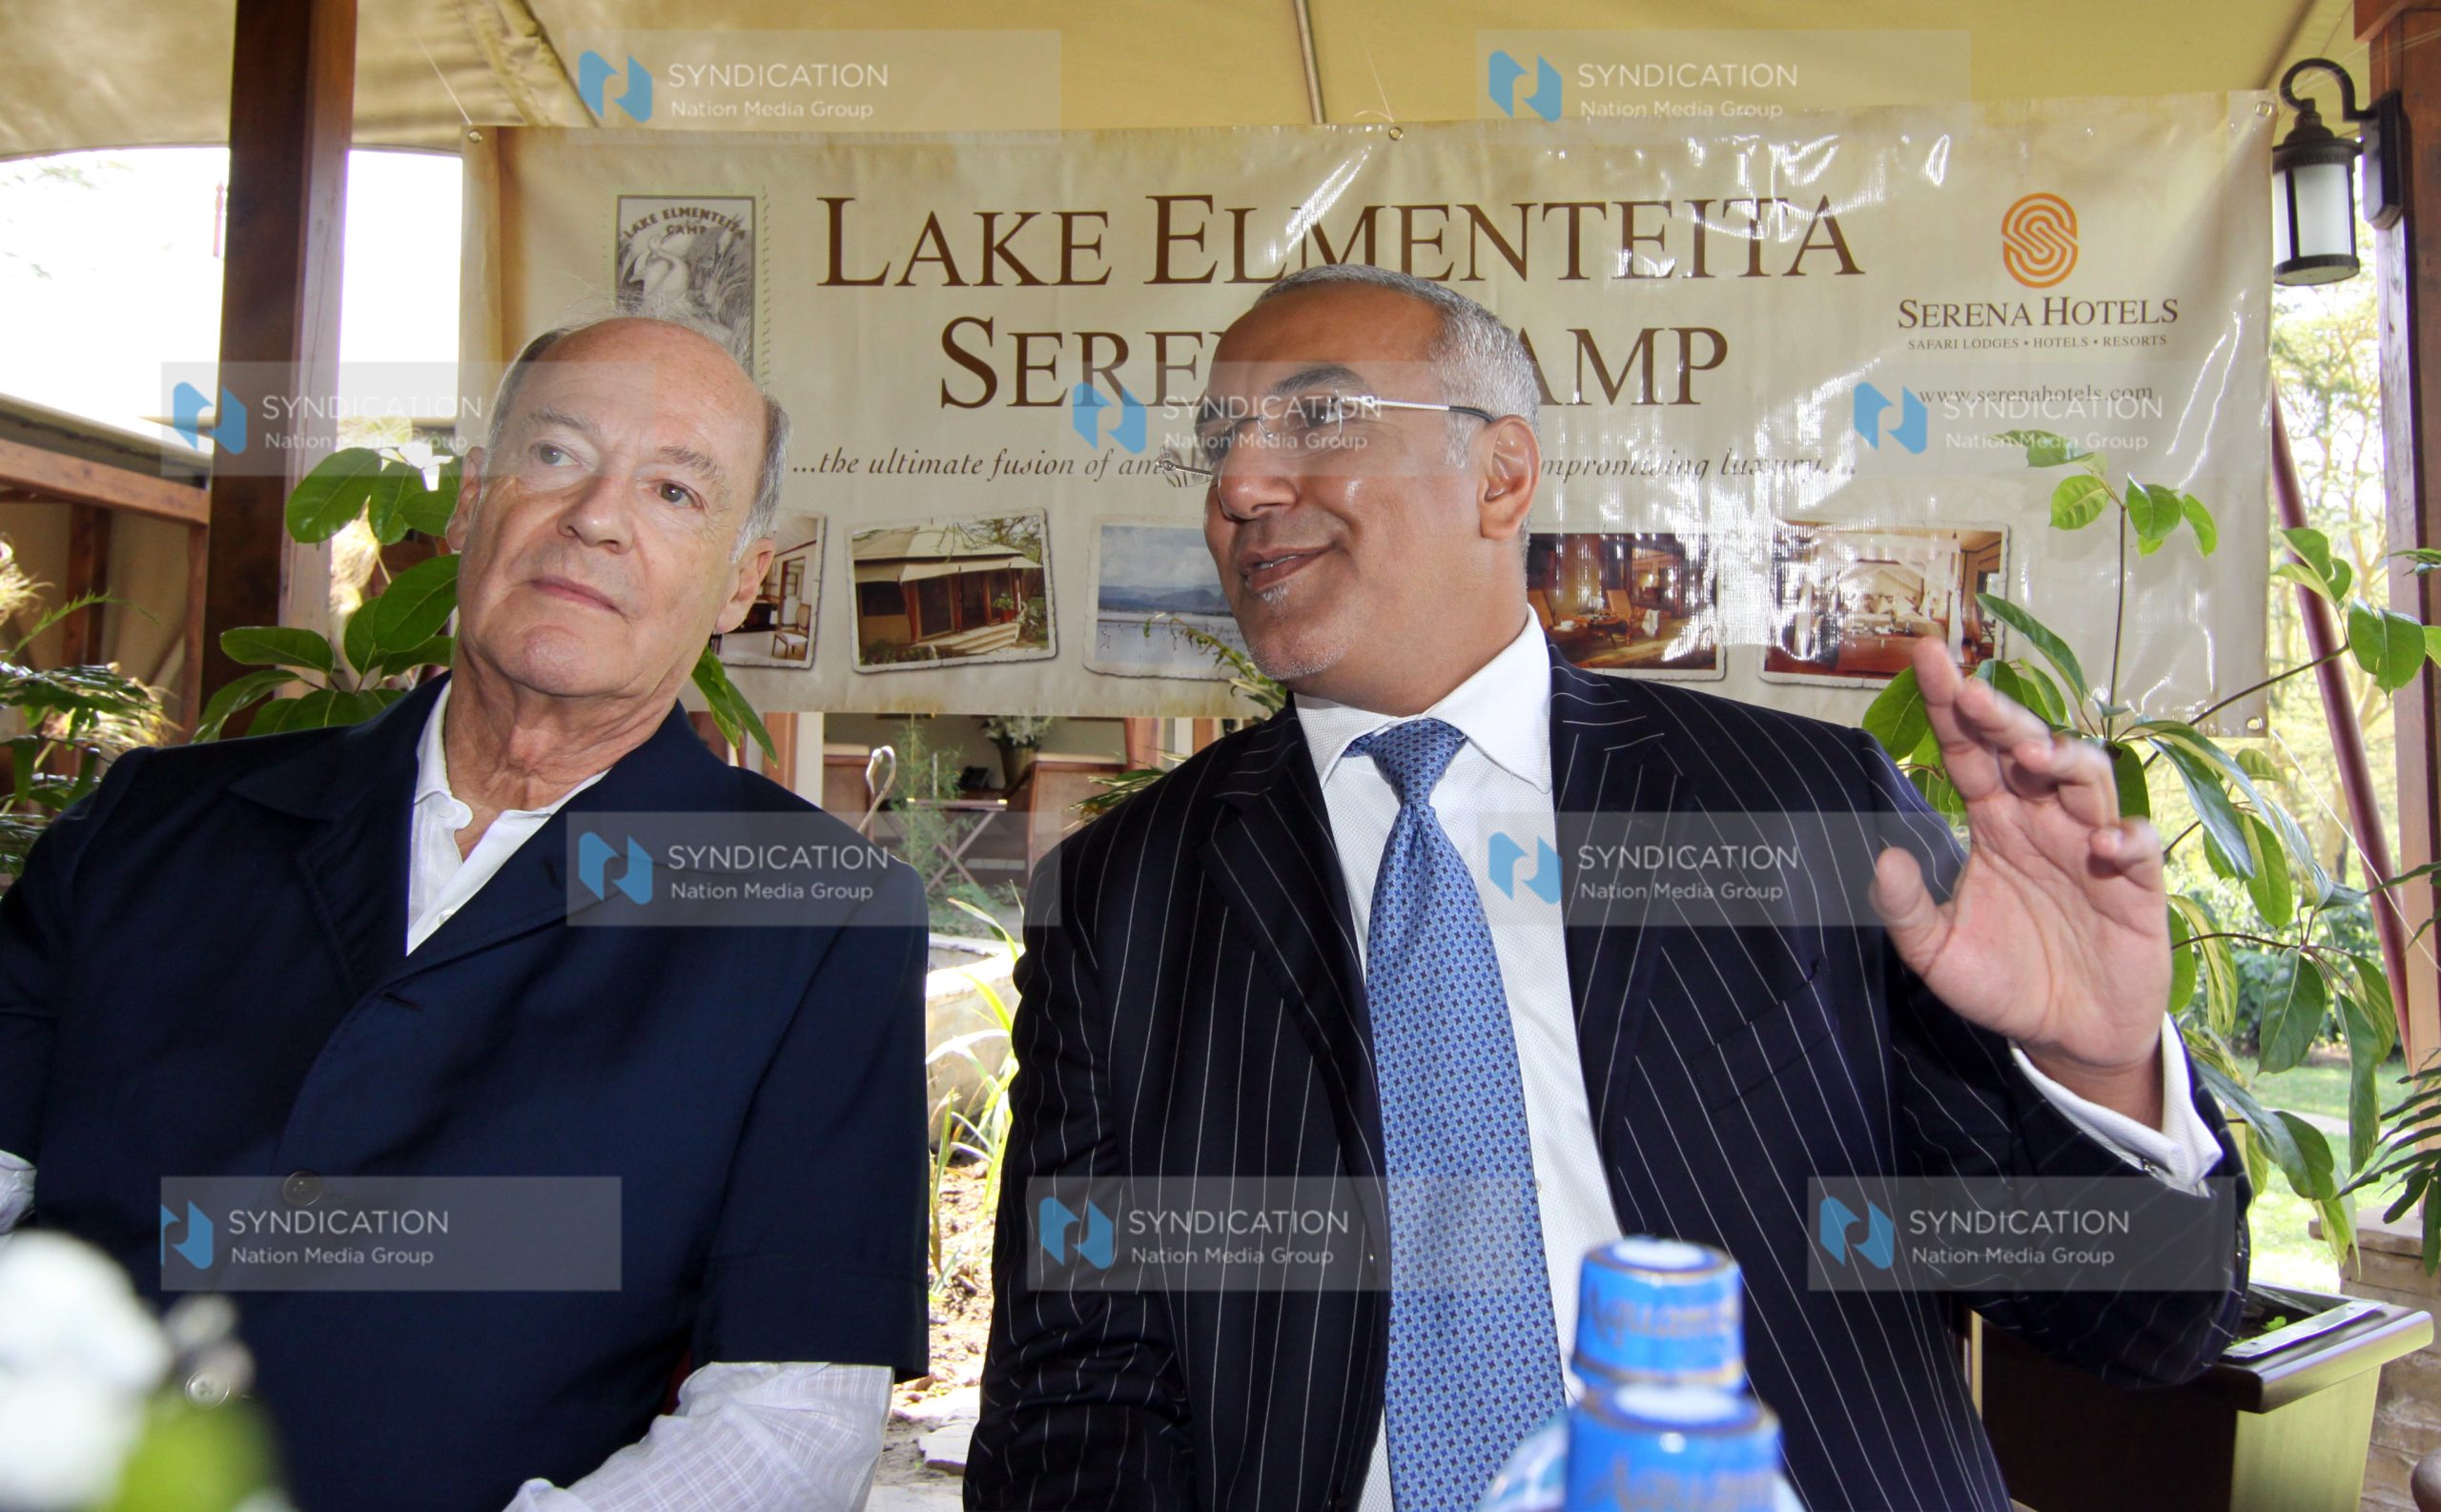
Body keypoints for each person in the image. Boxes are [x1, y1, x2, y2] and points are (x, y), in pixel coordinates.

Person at [966, 264, 2247, 1512]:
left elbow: (2148, 1323)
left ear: (1501, 474)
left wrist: (2101, 1075)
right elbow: (1080, 1384)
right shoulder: (1129, 899)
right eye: (1219, 439)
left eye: (1316, 417)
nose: (1241, 483)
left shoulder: (1796, 805)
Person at [0, 314, 929, 1512]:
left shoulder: (814, 918)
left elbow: (793, 1409)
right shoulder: (152, 825)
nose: (596, 516)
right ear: (474, 500)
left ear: (742, 581)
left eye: (674, 490)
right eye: (555, 456)